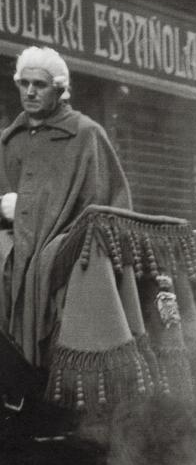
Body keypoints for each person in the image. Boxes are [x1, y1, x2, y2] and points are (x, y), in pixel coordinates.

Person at [0, 46, 131, 366]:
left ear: (59, 89)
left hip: (65, 252)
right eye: (24, 83)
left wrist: (26, 208)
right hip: (13, 251)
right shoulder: (8, 140)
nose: (30, 91)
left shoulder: (86, 135)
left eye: (40, 85)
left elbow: (107, 207)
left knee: (50, 270)